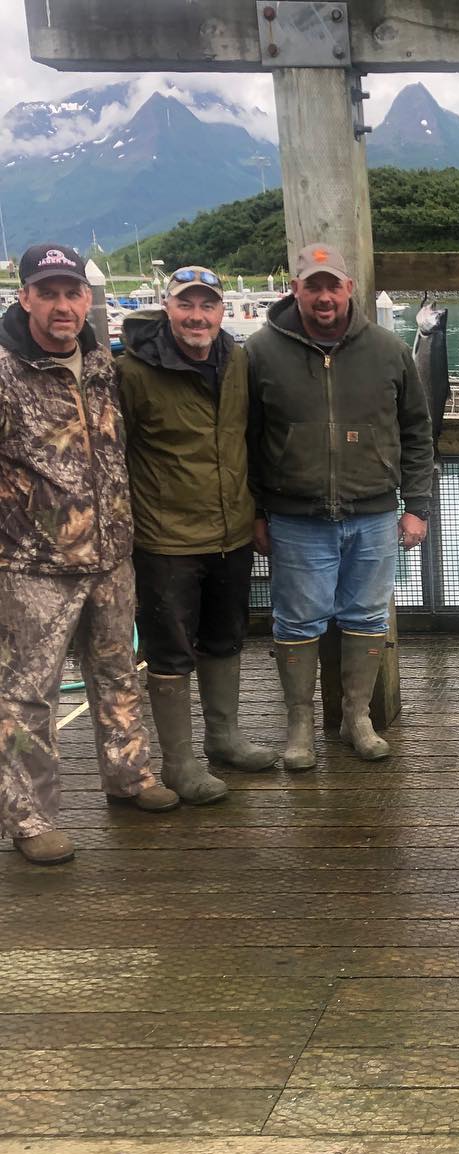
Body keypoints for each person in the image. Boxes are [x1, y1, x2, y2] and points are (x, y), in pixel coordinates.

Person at [0, 243, 179, 865]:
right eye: (47, 293)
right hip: (32, 566)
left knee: (118, 670)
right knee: (27, 694)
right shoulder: (5, 370)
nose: (62, 306)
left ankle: (130, 776)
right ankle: (30, 818)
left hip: (111, 553)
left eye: (72, 292)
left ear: (86, 298)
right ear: (25, 297)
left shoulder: (100, 361)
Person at [246, 243, 432, 770]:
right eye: (313, 286)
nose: (324, 296)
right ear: (296, 290)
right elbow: (245, 439)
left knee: (367, 616)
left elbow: (417, 432)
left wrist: (417, 505)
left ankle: (358, 718)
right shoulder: (259, 351)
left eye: (333, 285)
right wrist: (255, 511)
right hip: (294, 517)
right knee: (296, 622)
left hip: (374, 512)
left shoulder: (389, 350)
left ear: (350, 288)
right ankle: (300, 725)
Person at [116, 266, 279, 805]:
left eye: (207, 305)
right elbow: (112, 455)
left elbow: (250, 437)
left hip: (231, 531)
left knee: (225, 637)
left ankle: (223, 739)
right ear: (167, 308)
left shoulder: (238, 361)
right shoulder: (131, 371)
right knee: (169, 651)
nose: (196, 316)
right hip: (165, 539)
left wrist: (257, 510)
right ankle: (180, 764)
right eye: (186, 304)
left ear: (221, 311)